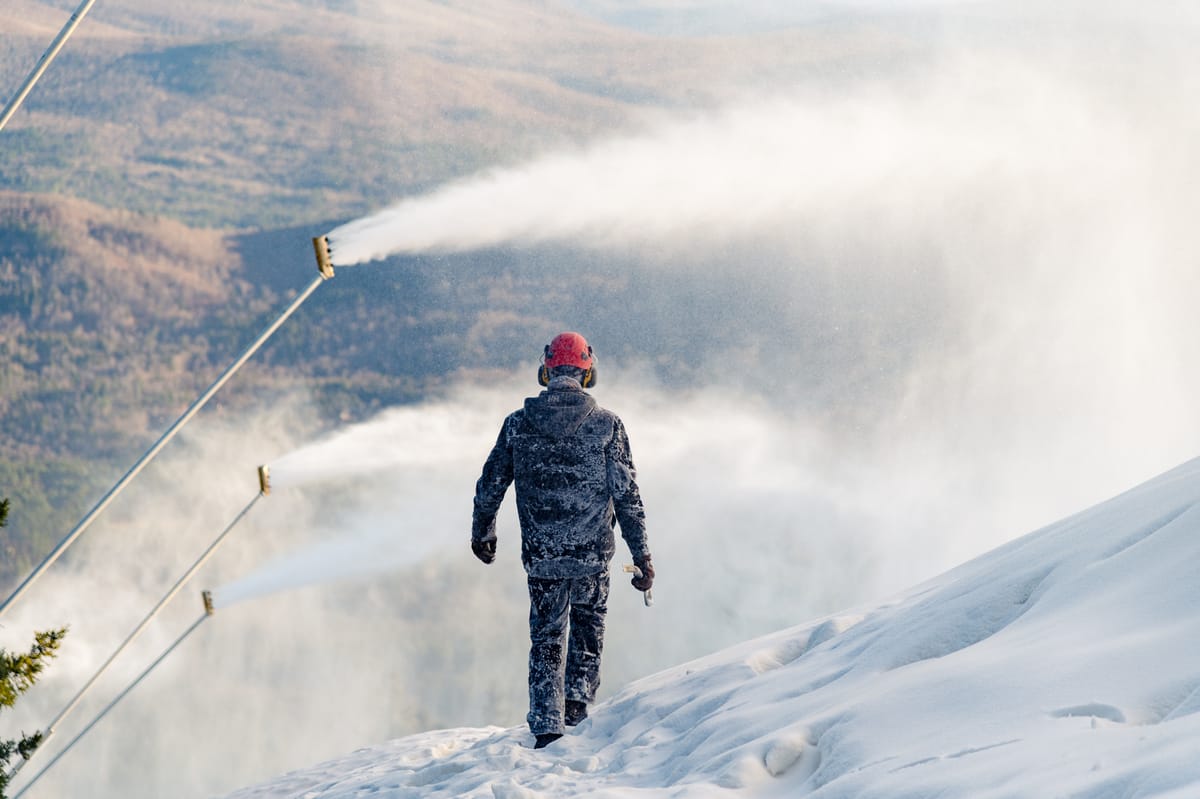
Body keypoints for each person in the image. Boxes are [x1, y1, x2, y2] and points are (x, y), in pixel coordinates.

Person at [471, 331, 653, 750]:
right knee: (589, 630)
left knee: (547, 638)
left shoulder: (517, 425)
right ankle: (576, 710)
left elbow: (490, 484)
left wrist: (483, 532)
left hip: (542, 558)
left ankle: (547, 728)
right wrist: (641, 555)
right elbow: (627, 497)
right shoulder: (608, 426)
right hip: (591, 559)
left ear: (546, 371)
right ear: (587, 372)